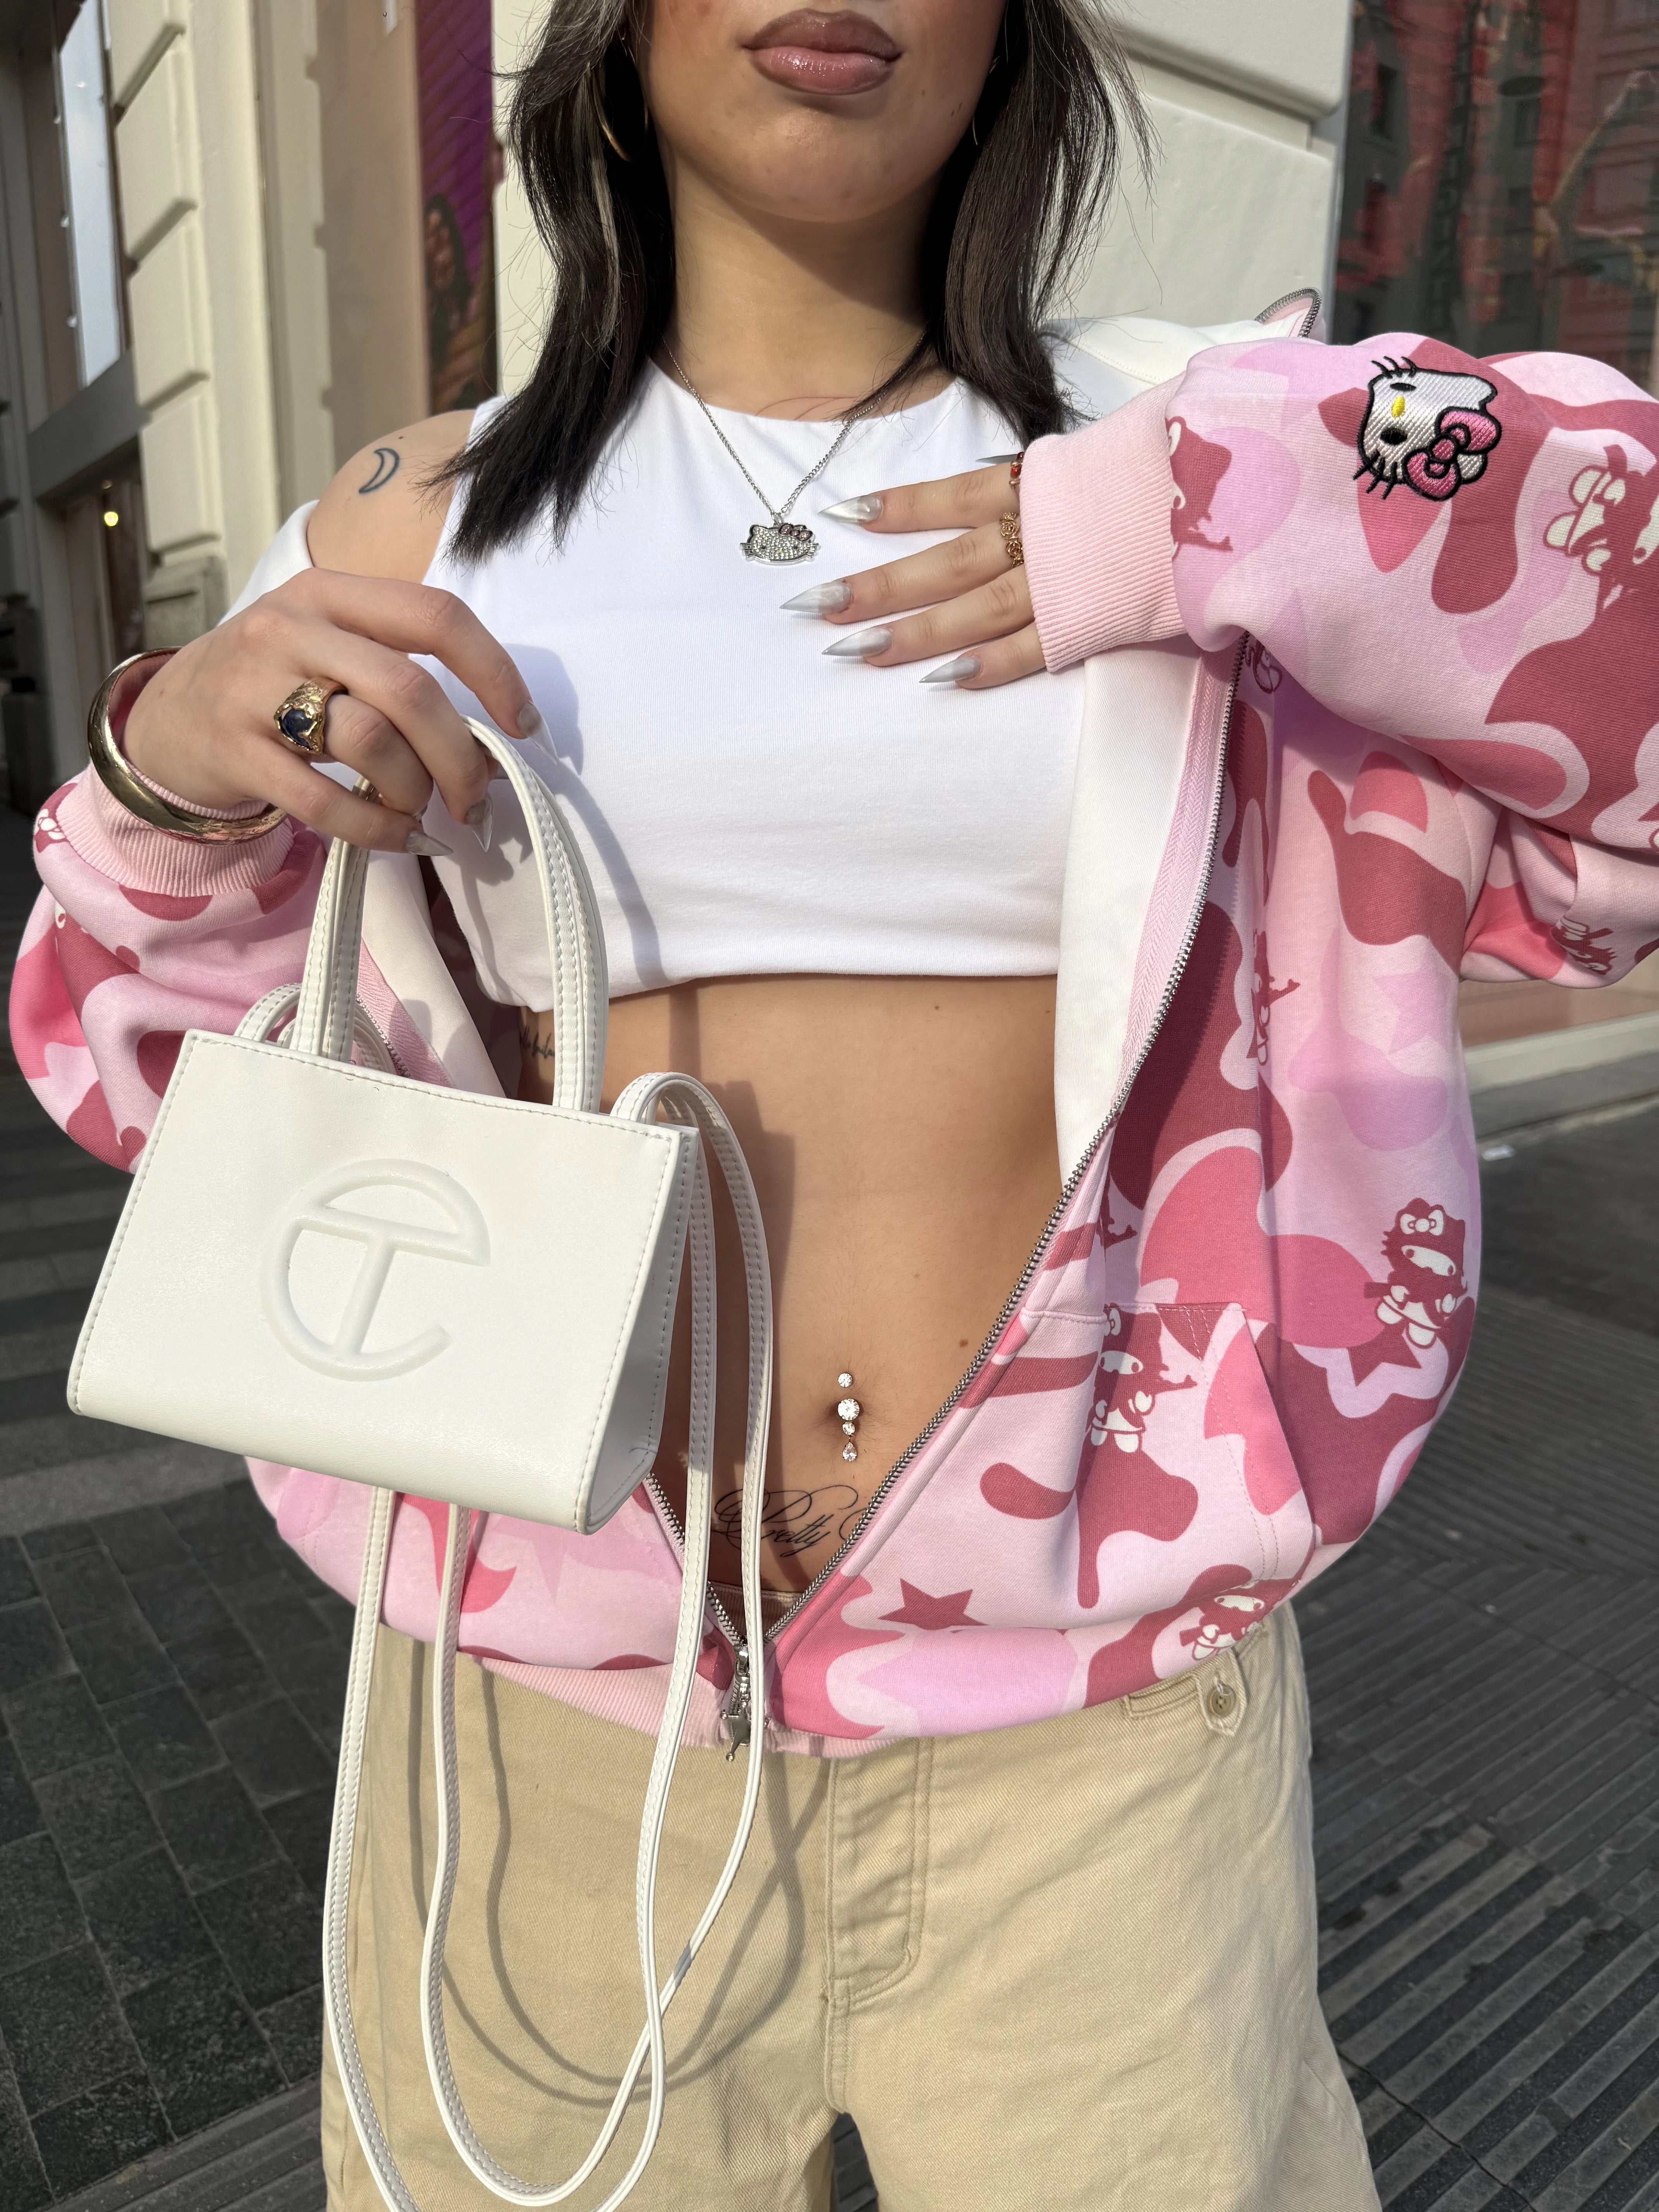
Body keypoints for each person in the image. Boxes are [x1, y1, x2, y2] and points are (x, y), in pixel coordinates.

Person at [13, 3, 1659, 2207]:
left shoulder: (1193, 444)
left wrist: (1215, 503)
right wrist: (162, 772)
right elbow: (141, 1074)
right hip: (539, 1737)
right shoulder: (412, 517)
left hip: (1094, 1746)